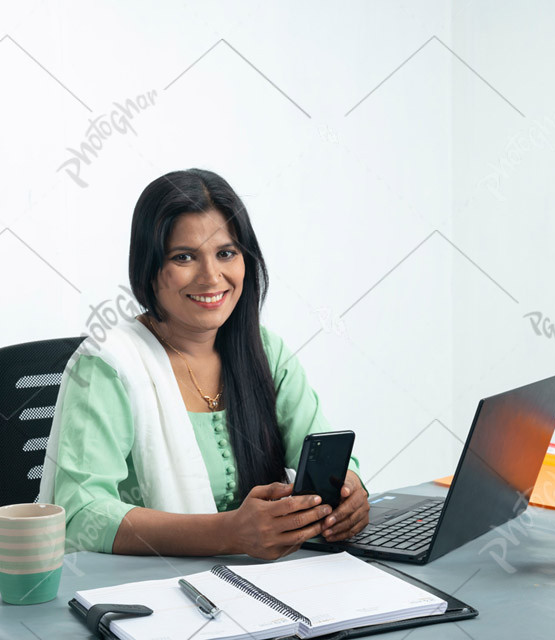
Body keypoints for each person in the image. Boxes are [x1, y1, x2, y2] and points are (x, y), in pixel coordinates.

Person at [38, 169, 369, 560]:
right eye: (184, 257)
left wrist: (350, 492)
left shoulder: (266, 351)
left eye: (226, 253)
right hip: (150, 596)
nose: (212, 277)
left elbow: (325, 460)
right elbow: (82, 514)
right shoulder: (109, 365)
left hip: (271, 584)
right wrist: (229, 534)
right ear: (149, 268)